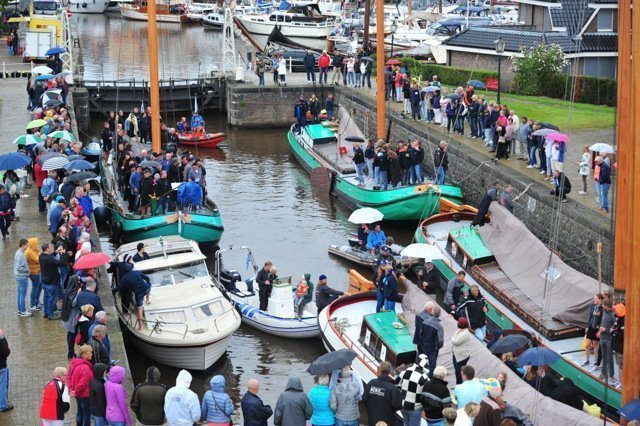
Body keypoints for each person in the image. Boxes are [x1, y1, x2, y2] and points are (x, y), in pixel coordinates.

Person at [362, 361, 402, 426]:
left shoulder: (371, 383)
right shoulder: (392, 387)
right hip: (388, 421)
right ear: (389, 371)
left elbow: (364, 399)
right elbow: (398, 405)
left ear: (380, 369)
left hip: (372, 419)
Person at [395, 354, 430, 426]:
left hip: (403, 405)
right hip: (415, 408)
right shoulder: (425, 378)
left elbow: (397, 385)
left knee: (406, 423)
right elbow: (425, 395)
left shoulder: (405, 371)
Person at [413, 304, 444, 379]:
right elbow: (440, 341)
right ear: (439, 315)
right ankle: (429, 379)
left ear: (432, 312)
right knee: (432, 365)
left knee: (422, 362)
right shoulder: (439, 327)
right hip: (433, 349)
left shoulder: (425, 322)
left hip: (424, 346)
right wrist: (438, 347)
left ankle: (420, 377)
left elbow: (421, 333)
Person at [68, 345, 94, 426]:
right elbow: (83, 384)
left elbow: (69, 377)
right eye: (90, 353)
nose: (92, 354)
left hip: (76, 394)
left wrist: (71, 389)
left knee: (79, 411)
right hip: (84, 394)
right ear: (84, 355)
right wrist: (76, 391)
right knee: (87, 414)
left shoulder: (73, 363)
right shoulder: (86, 368)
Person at [40, 242, 67, 320]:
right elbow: (61, 263)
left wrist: (56, 252)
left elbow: (50, 256)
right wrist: (63, 254)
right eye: (50, 247)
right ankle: (51, 315)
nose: (52, 248)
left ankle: (46, 313)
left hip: (44, 281)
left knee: (46, 297)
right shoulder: (50, 259)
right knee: (52, 299)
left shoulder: (41, 256)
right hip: (52, 282)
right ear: (47, 249)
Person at [583, 293, 603, 369]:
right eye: (594, 299)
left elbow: (602, 319)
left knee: (595, 345)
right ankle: (587, 360)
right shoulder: (593, 307)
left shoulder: (602, 308)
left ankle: (596, 362)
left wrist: (599, 329)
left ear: (600, 300)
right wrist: (588, 326)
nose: (594, 300)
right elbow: (590, 317)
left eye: (596, 299)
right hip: (591, 327)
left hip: (597, 329)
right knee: (587, 344)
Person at [14, 238, 33, 317]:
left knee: (19, 294)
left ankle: (20, 310)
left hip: (18, 276)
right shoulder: (21, 255)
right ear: (23, 245)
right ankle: (23, 311)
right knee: (22, 295)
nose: (27, 247)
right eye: (27, 245)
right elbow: (19, 267)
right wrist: (27, 270)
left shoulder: (18, 252)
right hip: (22, 277)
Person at [452, 318, 473, 385]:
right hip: (457, 354)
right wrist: (453, 338)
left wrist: (452, 338)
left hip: (462, 356)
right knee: (457, 371)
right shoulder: (459, 330)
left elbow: (456, 342)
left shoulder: (466, 333)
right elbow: (454, 338)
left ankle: (459, 385)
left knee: (459, 372)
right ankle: (458, 384)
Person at [599, 298, 616, 382]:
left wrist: (604, 329)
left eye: (603, 305)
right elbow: (602, 323)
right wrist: (599, 331)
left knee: (609, 358)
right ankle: (603, 373)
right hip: (602, 338)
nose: (602, 306)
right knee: (604, 356)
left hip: (609, 339)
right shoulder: (604, 312)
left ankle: (611, 375)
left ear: (607, 306)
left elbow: (614, 328)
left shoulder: (613, 315)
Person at [26, 237, 43, 312]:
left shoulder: (33, 250)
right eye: (36, 243)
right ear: (33, 244)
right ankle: (33, 304)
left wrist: (38, 250)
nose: (37, 245)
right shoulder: (30, 252)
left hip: (38, 271)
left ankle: (37, 302)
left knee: (39, 287)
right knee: (35, 288)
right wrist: (39, 251)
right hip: (34, 273)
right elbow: (39, 259)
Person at [0, 329, 11, 413]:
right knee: (2, 385)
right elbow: (5, 352)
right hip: (1, 366)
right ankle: (3, 405)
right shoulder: (1, 337)